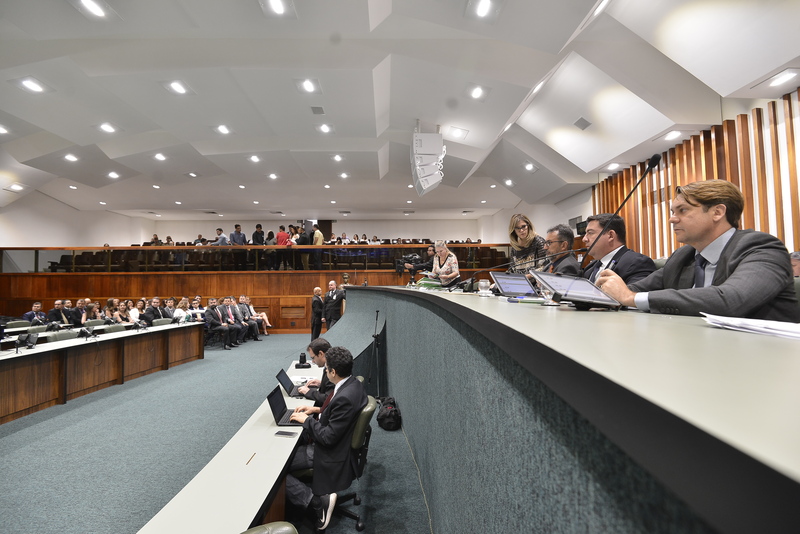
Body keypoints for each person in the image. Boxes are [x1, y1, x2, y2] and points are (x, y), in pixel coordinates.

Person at [596, 180, 800, 322]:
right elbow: (633, 289)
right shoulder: (683, 256)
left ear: (717, 212)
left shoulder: (761, 247)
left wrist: (630, 298)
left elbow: (730, 300)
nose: (672, 219)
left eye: (683, 210)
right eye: (672, 212)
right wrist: (600, 295)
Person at [286, 346, 368, 531]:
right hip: (339, 443)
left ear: (333, 372)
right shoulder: (352, 383)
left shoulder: (345, 397)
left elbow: (328, 437)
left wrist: (307, 421)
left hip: (332, 452)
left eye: (326, 369)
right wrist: (316, 409)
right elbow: (336, 414)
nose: (324, 372)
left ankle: (315, 502)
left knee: (279, 466)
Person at [581, 213, 656, 284]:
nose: (584, 239)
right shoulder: (591, 267)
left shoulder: (637, 263)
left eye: (590, 233)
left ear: (611, 235)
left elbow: (633, 292)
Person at [297, 338, 334, 404]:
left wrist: (308, 392)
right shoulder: (330, 363)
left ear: (321, 354)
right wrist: (321, 384)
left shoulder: (332, 370)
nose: (313, 361)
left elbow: (328, 399)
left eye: (313, 358)